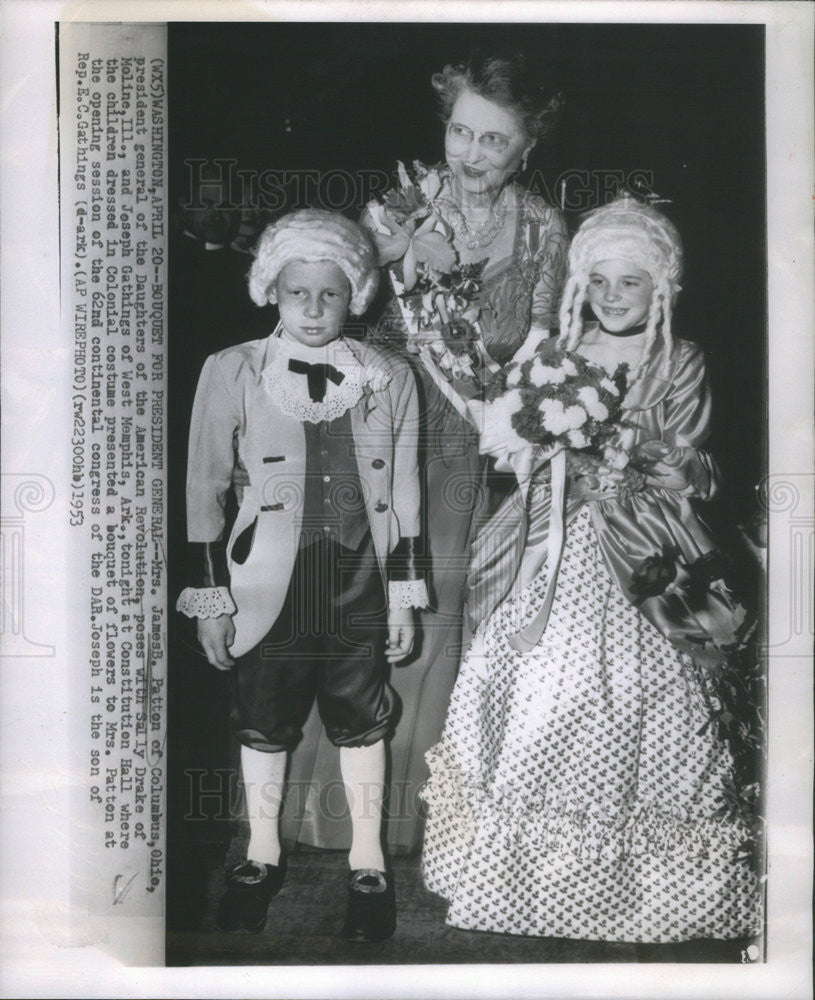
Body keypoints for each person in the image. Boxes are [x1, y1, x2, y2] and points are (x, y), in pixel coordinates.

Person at [420, 195, 763, 945]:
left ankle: (647, 889)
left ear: (660, 290)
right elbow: (515, 445)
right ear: (581, 284)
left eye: (630, 283)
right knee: (540, 684)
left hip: (641, 548)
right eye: (600, 281)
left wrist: (626, 455)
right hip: (553, 536)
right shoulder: (556, 352)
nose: (613, 297)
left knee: (643, 698)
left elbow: (696, 462)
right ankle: (526, 881)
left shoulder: (680, 359)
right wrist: (538, 440)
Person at [281, 52, 568, 857]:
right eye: (459, 130)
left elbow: (541, 343)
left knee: (434, 614)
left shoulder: (545, 229)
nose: (469, 153)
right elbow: (333, 311)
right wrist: (397, 255)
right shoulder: (399, 204)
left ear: (526, 148)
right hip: (378, 424)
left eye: (493, 140)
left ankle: (400, 819)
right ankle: (315, 809)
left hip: (463, 447)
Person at [176, 209, 428, 942]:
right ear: (272, 293)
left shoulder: (388, 376)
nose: (313, 310)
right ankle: (259, 852)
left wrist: (405, 596)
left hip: (357, 580)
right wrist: (211, 599)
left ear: (355, 295)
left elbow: (405, 492)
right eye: (297, 294)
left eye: (330, 293)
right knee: (264, 717)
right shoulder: (233, 369)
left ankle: (367, 858)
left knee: (361, 715)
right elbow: (204, 491)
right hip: (268, 583)